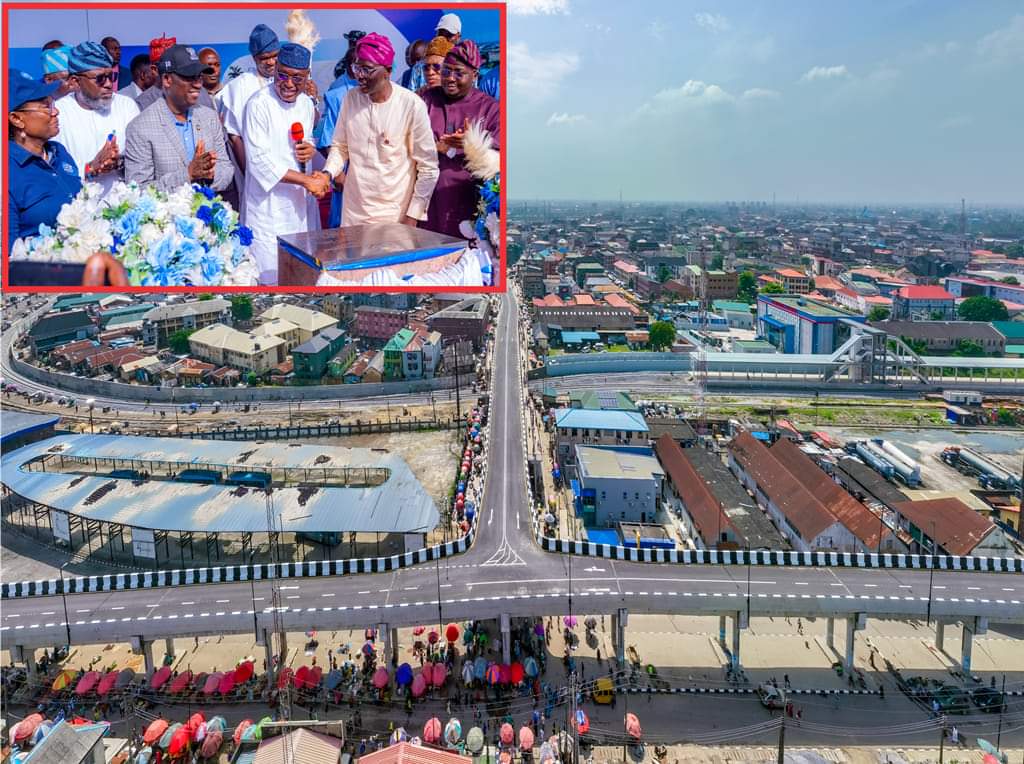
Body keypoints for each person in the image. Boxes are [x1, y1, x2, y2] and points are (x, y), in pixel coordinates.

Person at [320, 33, 438, 227]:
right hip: (353, 215)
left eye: (367, 69)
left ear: (388, 71)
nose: (360, 75)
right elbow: (340, 147)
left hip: (394, 216)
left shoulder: (411, 105)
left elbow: (428, 167)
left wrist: (413, 216)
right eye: (357, 68)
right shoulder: (351, 99)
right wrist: (328, 173)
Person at [241, 41, 327, 283]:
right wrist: (305, 181)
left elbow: (308, 140)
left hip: (300, 207)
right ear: (275, 69)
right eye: (283, 76)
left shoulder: (307, 104)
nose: (289, 84)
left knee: (303, 274)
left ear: (307, 77)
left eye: (297, 79)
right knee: (270, 276)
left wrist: (309, 150)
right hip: (268, 207)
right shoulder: (258, 104)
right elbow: (259, 162)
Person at [125, 44, 232, 193]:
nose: (197, 84)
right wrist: (188, 175)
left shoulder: (209, 117)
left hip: (208, 213)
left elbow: (226, 168)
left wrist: (209, 175)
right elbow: (138, 190)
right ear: (167, 79)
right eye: (189, 77)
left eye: (199, 77)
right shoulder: (140, 127)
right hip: (166, 216)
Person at [421, 40, 500, 238]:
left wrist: (472, 142)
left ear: (474, 74)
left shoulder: (490, 109)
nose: (450, 78)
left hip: (467, 202)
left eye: (458, 73)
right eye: (446, 71)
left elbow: (497, 158)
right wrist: (434, 147)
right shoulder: (425, 99)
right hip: (425, 202)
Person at [7, 69, 82, 250]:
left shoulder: (60, 152)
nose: (55, 111)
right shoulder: (8, 171)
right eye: (45, 106)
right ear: (16, 119)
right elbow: (9, 252)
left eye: (53, 103)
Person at [54, 41, 140, 195]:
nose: (108, 84)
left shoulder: (126, 106)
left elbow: (141, 159)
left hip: (124, 206)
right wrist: (91, 168)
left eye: (111, 76)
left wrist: (117, 162)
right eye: (100, 78)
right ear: (75, 81)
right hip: (76, 209)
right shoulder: (58, 113)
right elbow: (55, 168)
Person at [220, 23, 280, 178]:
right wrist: (249, 173)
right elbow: (234, 137)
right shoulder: (239, 86)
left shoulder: (289, 82)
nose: (271, 62)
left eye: (275, 56)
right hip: (255, 169)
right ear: (254, 58)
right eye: (265, 58)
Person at [136, 37, 217, 112]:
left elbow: (215, 124)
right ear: (155, 69)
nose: (197, 84)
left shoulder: (201, 92)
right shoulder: (143, 103)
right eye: (185, 74)